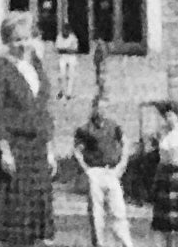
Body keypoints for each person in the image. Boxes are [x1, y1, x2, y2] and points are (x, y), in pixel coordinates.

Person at [0, 12, 57, 247]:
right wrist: (4, 150)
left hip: (37, 151)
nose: (22, 45)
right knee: (9, 227)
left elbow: (44, 112)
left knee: (35, 230)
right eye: (17, 40)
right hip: (14, 149)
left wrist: (50, 149)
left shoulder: (36, 68)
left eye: (26, 38)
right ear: (7, 41)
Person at [73, 97, 134, 247]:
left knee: (118, 209)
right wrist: (86, 170)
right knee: (96, 212)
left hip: (112, 171)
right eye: (99, 108)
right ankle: (99, 244)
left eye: (105, 108)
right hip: (95, 172)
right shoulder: (85, 129)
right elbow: (77, 151)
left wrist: (122, 164)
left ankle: (126, 242)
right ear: (93, 109)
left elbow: (126, 143)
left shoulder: (113, 126)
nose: (102, 111)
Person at [149, 101, 178, 246]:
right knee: (164, 222)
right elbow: (161, 161)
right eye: (166, 116)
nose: (168, 118)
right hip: (164, 178)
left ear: (177, 116)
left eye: (171, 115)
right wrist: (156, 183)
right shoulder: (164, 135)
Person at [53, 28, 80, 100]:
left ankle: (69, 93)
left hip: (71, 57)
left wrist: (65, 50)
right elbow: (58, 49)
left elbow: (75, 50)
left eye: (67, 31)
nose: (65, 33)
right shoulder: (59, 37)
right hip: (63, 57)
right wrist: (67, 50)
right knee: (62, 75)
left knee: (71, 75)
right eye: (64, 31)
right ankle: (62, 91)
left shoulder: (72, 37)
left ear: (69, 31)